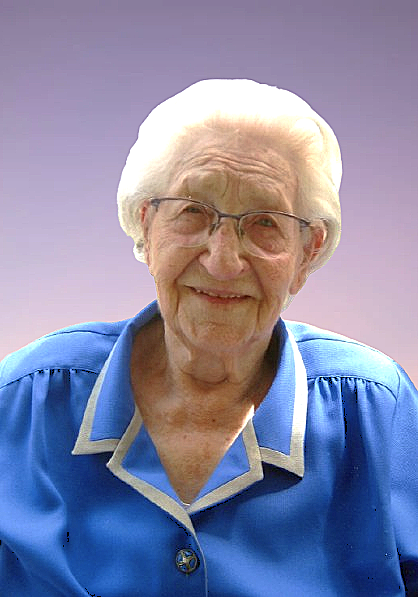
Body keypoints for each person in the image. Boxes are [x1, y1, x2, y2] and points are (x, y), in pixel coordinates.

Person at [0, 79, 417, 597]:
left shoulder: (375, 410)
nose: (223, 262)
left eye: (264, 222)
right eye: (193, 212)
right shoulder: (23, 399)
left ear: (307, 253)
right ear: (147, 225)